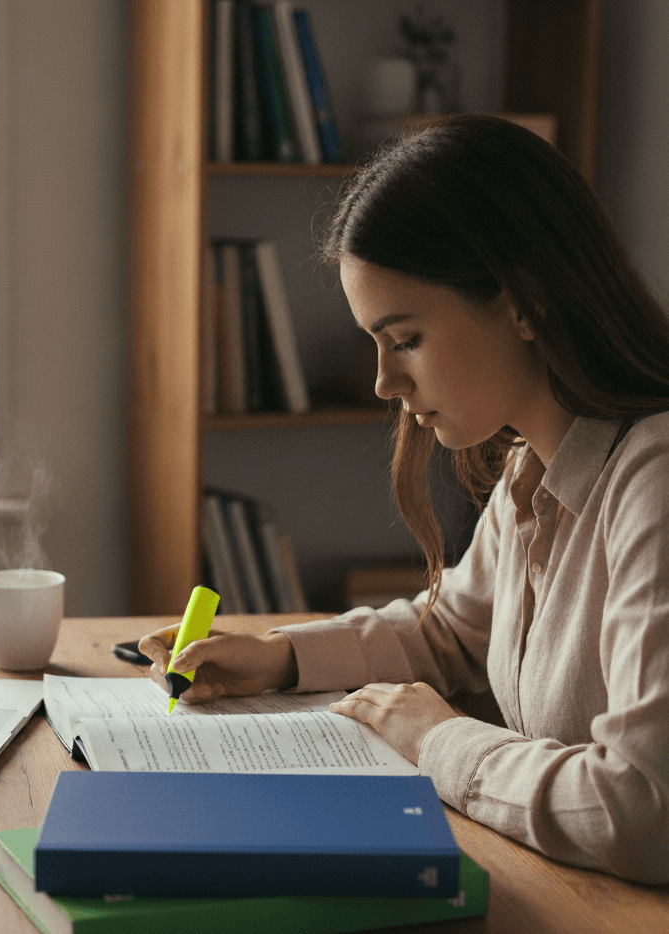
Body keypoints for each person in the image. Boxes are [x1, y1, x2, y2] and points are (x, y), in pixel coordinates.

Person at [140, 114, 669, 884]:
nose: (385, 384)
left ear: (523, 302)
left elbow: (643, 807)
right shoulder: (534, 466)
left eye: (406, 338)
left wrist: (436, 740)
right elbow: (454, 631)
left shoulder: (654, 482)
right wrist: (278, 658)